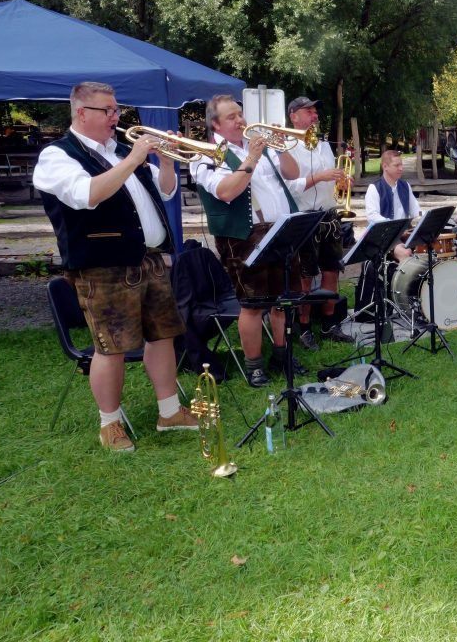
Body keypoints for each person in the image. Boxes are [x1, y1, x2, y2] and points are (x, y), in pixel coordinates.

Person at [33, 82, 197, 452]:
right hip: (102, 267)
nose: (115, 116)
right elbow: (87, 194)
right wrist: (134, 160)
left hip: (149, 261)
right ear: (81, 113)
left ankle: (169, 411)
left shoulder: (121, 151)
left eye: (116, 109)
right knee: (111, 347)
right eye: (106, 110)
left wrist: (166, 162)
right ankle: (109, 423)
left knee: (163, 336)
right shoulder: (58, 156)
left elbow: (166, 191)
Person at [190, 95, 310, 387]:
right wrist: (252, 157)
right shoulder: (205, 155)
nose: (240, 120)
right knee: (253, 304)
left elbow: (293, 174)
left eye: (240, 114)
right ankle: (254, 366)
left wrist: (279, 147)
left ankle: (282, 355)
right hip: (243, 236)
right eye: (231, 117)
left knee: (284, 300)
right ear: (215, 124)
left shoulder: (259, 145)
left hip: (281, 229)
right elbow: (226, 191)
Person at [283, 96, 351, 348]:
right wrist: (320, 176)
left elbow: (331, 180)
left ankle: (329, 324)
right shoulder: (286, 146)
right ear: (293, 116)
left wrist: (341, 182)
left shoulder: (323, 145)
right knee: (305, 275)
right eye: (308, 111)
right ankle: (303, 327)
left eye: (315, 111)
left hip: (328, 214)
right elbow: (289, 187)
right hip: (304, 217)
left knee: (331, 270)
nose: (315, 116)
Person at [364, 149, 422, 262]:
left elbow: (416, 211)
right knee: (405, 253)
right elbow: (372, 216)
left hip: (404, 234)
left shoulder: (405, 185)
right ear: (385, 166)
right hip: (385, 237)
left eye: (401, 165)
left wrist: (427, 217)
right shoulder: (374, 188)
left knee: (429, 245)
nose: (401, 168)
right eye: (396, 165)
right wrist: (395, 228)